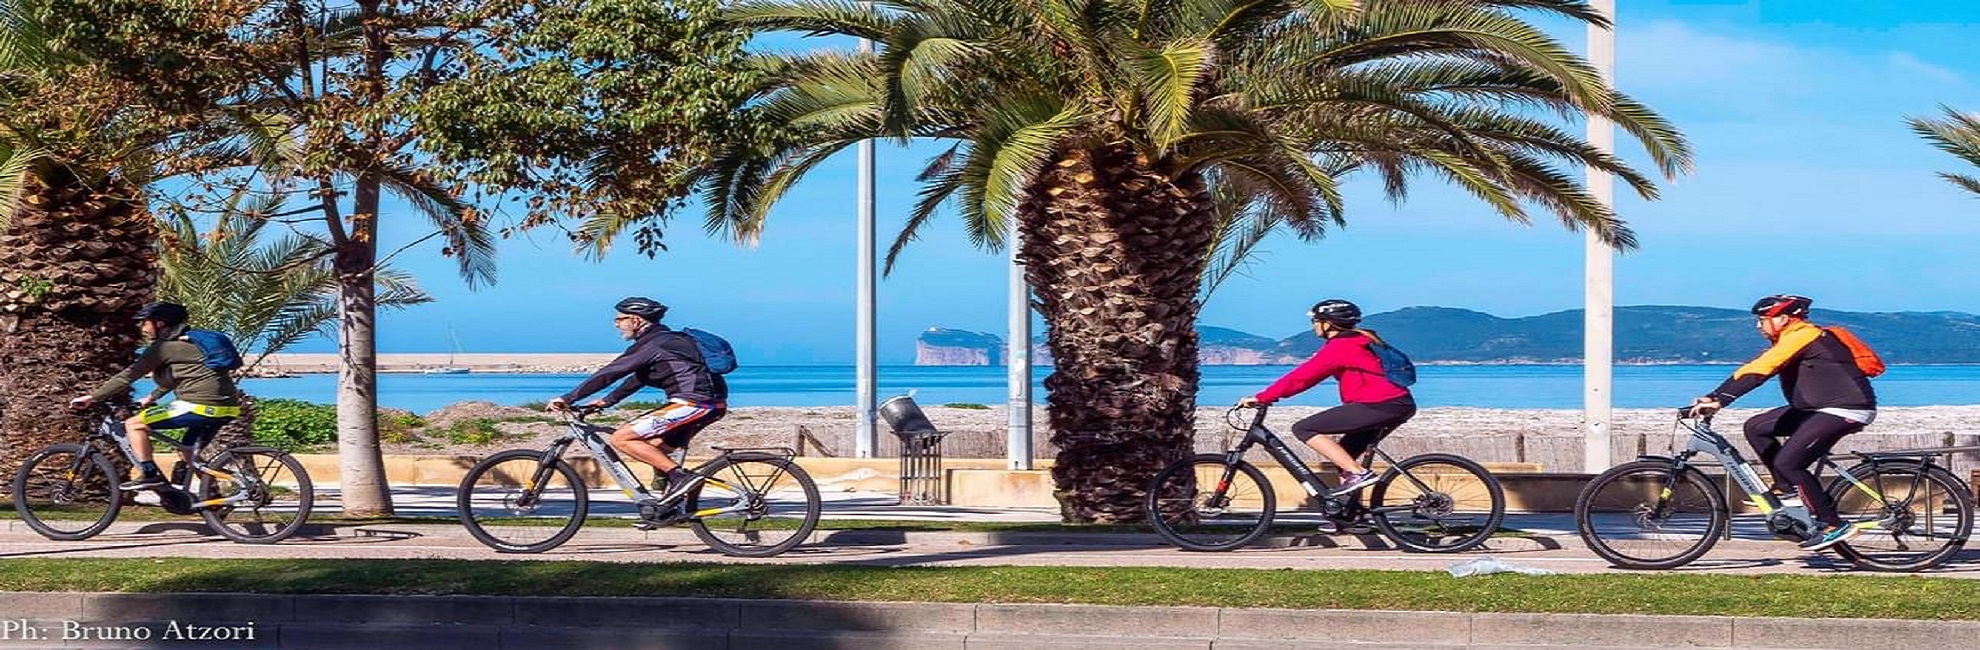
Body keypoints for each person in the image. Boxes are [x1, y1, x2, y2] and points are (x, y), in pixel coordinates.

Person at [1689, 294, 1876, 551]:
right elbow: (1754, 367)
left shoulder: (1802, 335)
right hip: (1817, 408)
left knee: (1789, 462)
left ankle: (1833, 524)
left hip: (1846, 409)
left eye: (1762, 320)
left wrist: (1721, 400)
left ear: (1783, 319)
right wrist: (1714, 396)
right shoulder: (1791, 338)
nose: (1758, 326)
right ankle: (1787, 489)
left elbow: (1763, 369)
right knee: (1756, 427)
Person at [547, 297, 728, 512]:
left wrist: (567, 398)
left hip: (694, 403)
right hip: (712, 404)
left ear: (635, 320)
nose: (616, 324)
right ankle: (671, 505)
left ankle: (682, 479)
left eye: (619, 319)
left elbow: (610, 373)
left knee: (622, 438)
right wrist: (606, 401)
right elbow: (640, 377)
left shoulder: (654, 343)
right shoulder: (665, 341)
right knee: (653, 449)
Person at [1238, 299, 1417, 508]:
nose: (1313, 325)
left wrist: (1263, 397)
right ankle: (1349, 516)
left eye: (1315, 320)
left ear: (1328, 324)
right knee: (1345, 457)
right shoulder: (1358, 340)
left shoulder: (1341, 347)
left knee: (1304, 428)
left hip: (1381, 404)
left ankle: (1358, 473)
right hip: (1394, 403)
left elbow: (1302, 377)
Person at [69, 302, 243, 491]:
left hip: (198, 405)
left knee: (134, 424)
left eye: (145, 323)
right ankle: (213, 498)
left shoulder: (164, 348)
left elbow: (128, 375)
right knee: (188, 451)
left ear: (160, 324)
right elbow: (180, 377)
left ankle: (150, 475)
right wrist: (151, 397)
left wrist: (93, 397)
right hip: (228, 407)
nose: (143, 328)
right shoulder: (194, 344)